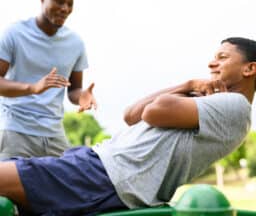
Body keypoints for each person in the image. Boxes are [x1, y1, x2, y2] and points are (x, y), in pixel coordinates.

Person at [0, 37, 255, 216]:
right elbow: (132, 114)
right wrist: (187, 85)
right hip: (100, 167)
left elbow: (155, 111)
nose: (212, 63)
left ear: (250, 68)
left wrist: (187, 88)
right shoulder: (212, 102)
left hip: (108, 175)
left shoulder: (236, 105)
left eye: (222, 58)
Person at [0, 0, 96, 159]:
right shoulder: (14, 34)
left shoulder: (75, 43)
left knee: (65, 186)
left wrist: (82, 96)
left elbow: (74, 89)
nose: (65, 9)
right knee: (8, 188)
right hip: (16, 131)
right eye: (59, 1)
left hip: (54, 135)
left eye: (70, 3)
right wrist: (33, 88)